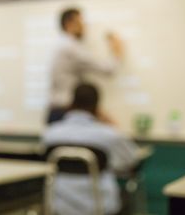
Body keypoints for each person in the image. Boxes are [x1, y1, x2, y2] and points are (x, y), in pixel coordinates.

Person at [43, 83, 139, 215]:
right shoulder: (109, 135)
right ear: (97, 107)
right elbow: (131, 160)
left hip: (59, 206)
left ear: (71, 103)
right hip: (100, 206)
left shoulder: (50, 134)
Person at [48, 8, 124, 123]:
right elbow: (108, 69)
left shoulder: (60, 45)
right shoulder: (71, 47)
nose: (84, 26)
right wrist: (117, 51)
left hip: (60, 112)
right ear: (69, 23)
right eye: (81, 22)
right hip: (66, 114)